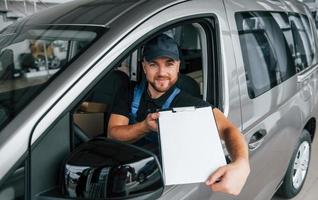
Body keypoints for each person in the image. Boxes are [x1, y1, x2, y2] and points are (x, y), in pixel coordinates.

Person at [108, 34, 250, 195]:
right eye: (154, 64)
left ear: (178, 66)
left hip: (161, 184)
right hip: (125, 176)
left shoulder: (187, 102)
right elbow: (113, 133)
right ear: (144, 67)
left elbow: (228, 129)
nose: (162, 72)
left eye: (169, 64)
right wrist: (145, 126)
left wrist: (241, 164)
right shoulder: (128, 92)